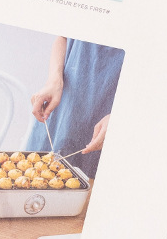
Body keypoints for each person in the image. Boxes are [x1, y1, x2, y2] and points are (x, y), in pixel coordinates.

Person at [27, 36, 124, 179]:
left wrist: (122, 115)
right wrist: (54, 81)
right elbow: (63, 37)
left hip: (106, 120)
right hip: (62, 106)